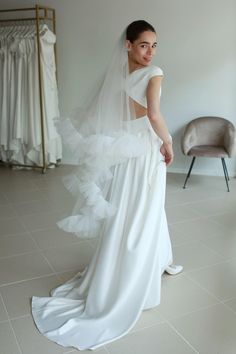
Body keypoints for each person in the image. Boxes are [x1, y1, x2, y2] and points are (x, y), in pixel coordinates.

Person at [31, 20, 183, 351]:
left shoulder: (117, 76)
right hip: (145, 150)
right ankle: (135, 275)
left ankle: (158, 260)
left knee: (134, 209)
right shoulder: (154, 73)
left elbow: (112, 115)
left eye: (154, 45)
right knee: (145, 209)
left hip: (127, 153)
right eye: (144, 44)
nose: (150, 52)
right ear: (128, 44)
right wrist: (169, 143)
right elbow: (154, 115)